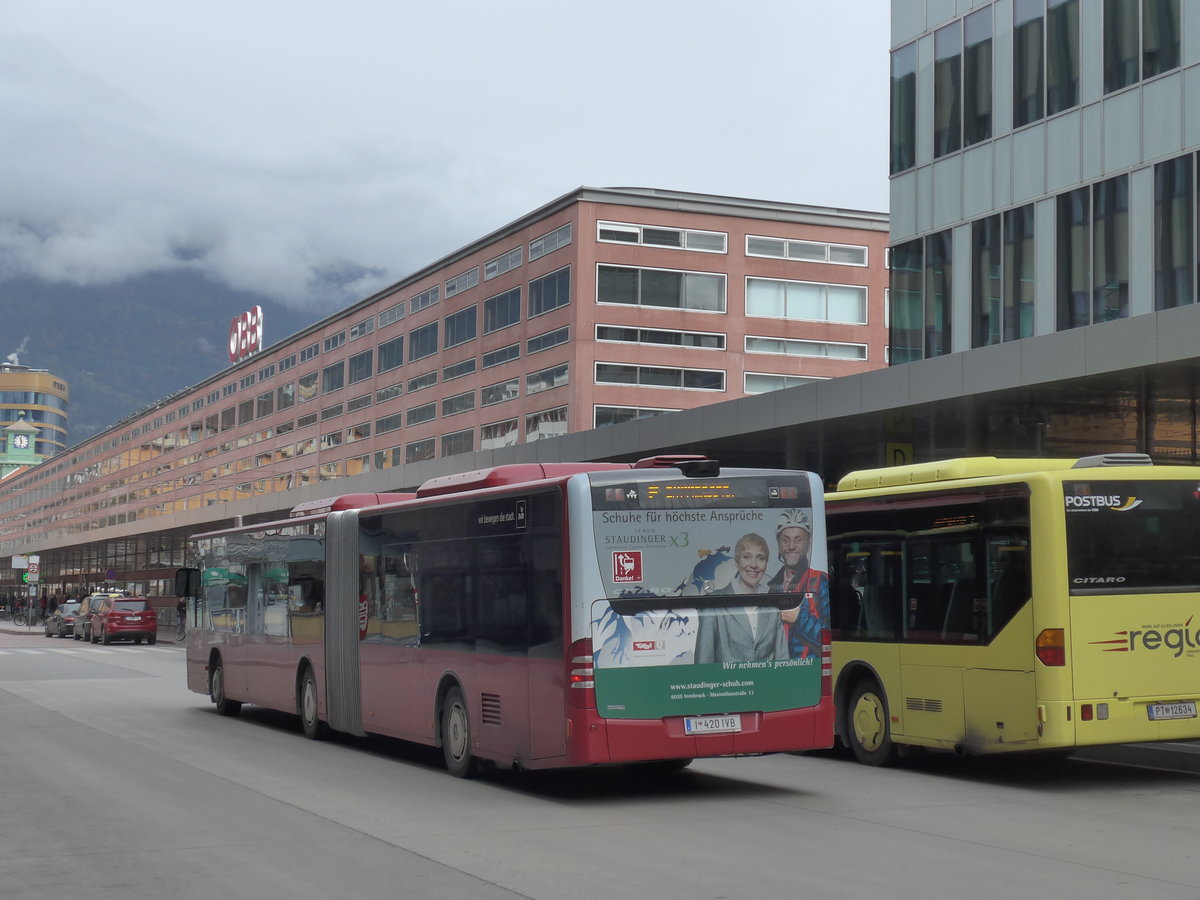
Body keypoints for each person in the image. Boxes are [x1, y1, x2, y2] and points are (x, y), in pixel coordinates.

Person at [694, 533, 787, 663]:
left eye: (760, 558)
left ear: (766, 564)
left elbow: (783, 661)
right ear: (737, 562)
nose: (753, 565)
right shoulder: (713, 603)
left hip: (767, 683)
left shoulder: (772, 605)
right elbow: (703, 664)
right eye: (746, 557)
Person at [767, 509, 830, 660]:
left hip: (806, 670)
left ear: (808, 544)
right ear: (779, 544)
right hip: (776, 671)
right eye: (786, 539)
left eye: (798, 539)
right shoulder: (770, 586)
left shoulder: (819, 581)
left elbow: (830, 636)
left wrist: (798, 617)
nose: (791, 546)